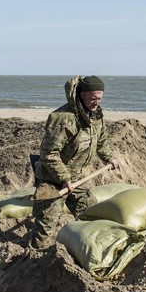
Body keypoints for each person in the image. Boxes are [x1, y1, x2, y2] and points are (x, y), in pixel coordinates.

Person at [30, 75, 120, 250]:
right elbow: (49, 154)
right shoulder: (62, 119)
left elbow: (101, 142)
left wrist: (109, 157)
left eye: (100, 98)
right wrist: (64, 177)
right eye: (93, 98)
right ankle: (33, 260)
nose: (97, 102)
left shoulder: (96, 117)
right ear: (81, 95)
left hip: (78, 179)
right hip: (52, 180)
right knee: (45, 228)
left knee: (91, 214)